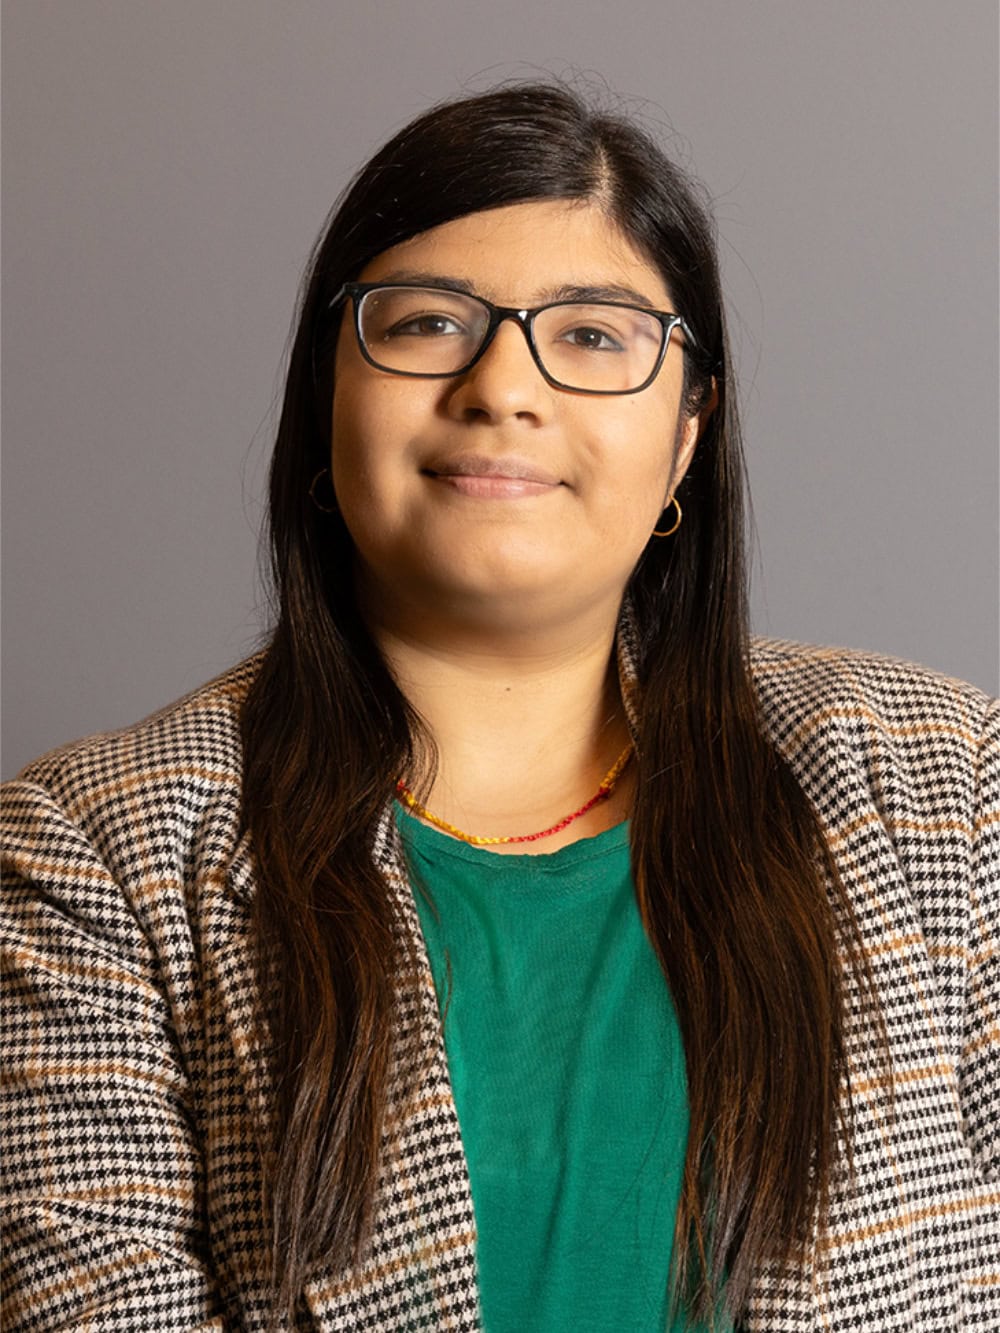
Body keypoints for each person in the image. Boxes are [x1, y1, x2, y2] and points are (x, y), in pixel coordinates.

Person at [1, 82, 997, 1333]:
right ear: (326, 398)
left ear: (687, 437)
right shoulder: (89, 850)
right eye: (427, 323)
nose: (503, 387)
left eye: (592, 336)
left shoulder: (945, 779)